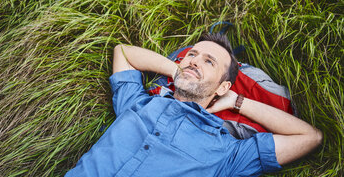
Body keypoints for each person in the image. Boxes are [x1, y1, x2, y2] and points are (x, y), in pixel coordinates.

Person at [65, 33, 322, 177]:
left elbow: (309, 136)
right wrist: (181, 70)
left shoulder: (227, 153)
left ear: (223, 88)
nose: (194, 61)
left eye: (209, 62)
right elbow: (123, 51)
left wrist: (238, 102)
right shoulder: (136, 102)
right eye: (191, 54)